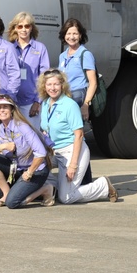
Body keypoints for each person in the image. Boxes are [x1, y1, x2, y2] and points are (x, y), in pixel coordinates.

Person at [38, 70, 117, 204]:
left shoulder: (70, 105)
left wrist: (73, 165)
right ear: (44, 86)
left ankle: (103, 185)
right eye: (49, 84)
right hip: (55, 151)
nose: (52, 88)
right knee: (36, 167)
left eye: (56, 84)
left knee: (66, 197)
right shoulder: (45, 104)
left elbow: (79, 135)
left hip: (72, 151)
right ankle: (53, 188)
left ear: (62, 85)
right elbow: (46, 130)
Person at [0, 94, 54, 208]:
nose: (2, 110)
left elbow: (41, 153)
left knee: (12, 203)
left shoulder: (22, 126)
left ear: (12, 110)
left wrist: (29, 173)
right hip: (17, 169)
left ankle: (45, 189)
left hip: (35, 170)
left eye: (5, 107)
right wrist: (2, 147)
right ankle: (6, 193)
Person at [9, 11, 50, 122]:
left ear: (31, 28)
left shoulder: (40, 48)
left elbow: (45, 77)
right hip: (13, 103)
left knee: (34, 137)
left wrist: (38, 101)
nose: (24, 29)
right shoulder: (9, 48)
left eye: (27, 26)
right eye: (20, 26)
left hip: (31, 104)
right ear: (15, 28)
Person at [58, 18, 98, 120]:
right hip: (64, 96)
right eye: (68, 33)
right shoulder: (62, 56)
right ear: (64, 35)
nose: (71, 37)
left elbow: (93, 83)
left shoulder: (85, 55)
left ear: (80, 35)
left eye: (75, 34)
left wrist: (85, 105)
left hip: (77, 97)